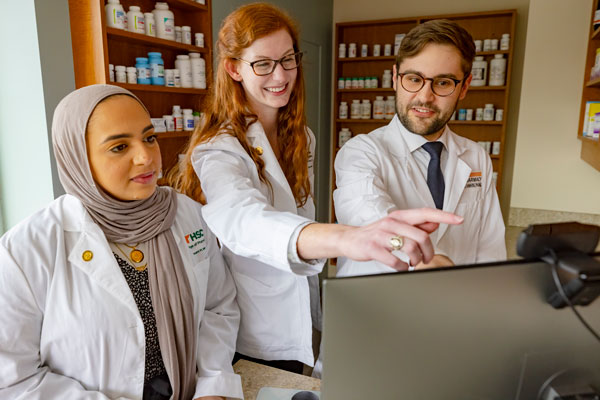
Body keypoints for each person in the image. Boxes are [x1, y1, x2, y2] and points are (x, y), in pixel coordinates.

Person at [169, 3, 463, 375]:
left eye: (288, 59)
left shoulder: (300, 137)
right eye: (263, 63)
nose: (280, 75)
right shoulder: (218, 147)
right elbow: (240, 218)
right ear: (234, 68)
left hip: (299, 315)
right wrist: (347, 239)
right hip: (246, 327)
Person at [0, 85, 242, 400]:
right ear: (78, 158)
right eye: (119, 147)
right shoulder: (26, 251)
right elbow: (13, 380)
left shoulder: (187, 216)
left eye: (149, 138)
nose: (145, 157)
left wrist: (213, 385)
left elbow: (217, 308)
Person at [334, 19, 507, 277]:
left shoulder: (476, 157)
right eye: (414, 79)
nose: (425, 96)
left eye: (444, 82)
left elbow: (490, 247)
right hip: (378, 307)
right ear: (395, 78)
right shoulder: (361, 152)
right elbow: (368, 215)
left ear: (464, 87)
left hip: (456, 305)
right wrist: (426, 261)